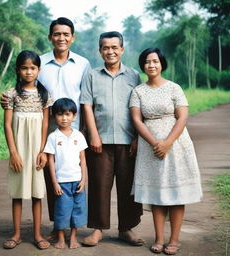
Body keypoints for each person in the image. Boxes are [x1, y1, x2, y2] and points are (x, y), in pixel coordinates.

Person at [0, 17, 91, 236]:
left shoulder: (83, 64)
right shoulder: (39, 62)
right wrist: (7, 98)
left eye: (66, 34)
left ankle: (71, 226)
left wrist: (87, 131)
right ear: (50, 37)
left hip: (74, 132)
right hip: (46, 132)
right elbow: (23, 88)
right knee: (48, 181)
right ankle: (56, 226)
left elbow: (87, 98)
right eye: (57, 34)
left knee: (73, 177)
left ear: (73, 37)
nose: (61, 38)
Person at [129, 47, 203, 255]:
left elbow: (182, 117)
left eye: (155, 61)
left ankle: (174, 239)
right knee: (157, 194)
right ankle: (160, 238)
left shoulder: (174, 88)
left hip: (177, 145)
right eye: (147, 62)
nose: (151, 65)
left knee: (176, 193)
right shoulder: (138, 91)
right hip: (149, 146)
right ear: (142, 66)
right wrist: (155, 143)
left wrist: (168, 142)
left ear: (162, 64)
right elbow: (136, 119)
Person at [80, 31, 144, 246]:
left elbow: (139, 108)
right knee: (99, 185)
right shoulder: (91, 75)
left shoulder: (134, 76)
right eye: (106, 48)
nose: (110, 51)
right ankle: (98, 229)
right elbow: (87, 106)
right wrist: (93, 135)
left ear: (122, 49)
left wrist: (137, 137)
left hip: (128, 141)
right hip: (100, 141)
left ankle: (126, 228)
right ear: (100, 51)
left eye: (114, 47)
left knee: (128, 187)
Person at [3, 50, 53, 250]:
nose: (29, 72)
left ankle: (37, 234)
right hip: (19, 149)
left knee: (36, 192)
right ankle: (16, 234)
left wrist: (42, 152)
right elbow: (7, 125)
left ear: (39, 70)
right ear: (18, 70)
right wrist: (13, 153)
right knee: (17, 191)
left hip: (36, 150)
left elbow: (45, 125)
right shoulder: (11, 94)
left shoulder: (44, 94)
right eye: (24, 68)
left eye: (33, 68)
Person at [44, 98, 88, 249]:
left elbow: (83, 160)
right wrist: (54, 182)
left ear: (74, 116)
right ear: (54, 116)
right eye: (60, 114)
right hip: (61, 182)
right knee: (62, 211)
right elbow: (50, 161)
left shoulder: (79, 136)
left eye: (68, 114)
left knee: (77, 210)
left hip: (77, 181)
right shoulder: (53, 137)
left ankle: (73, 238)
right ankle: (61, 238)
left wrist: (84, 180)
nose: (64, 118)